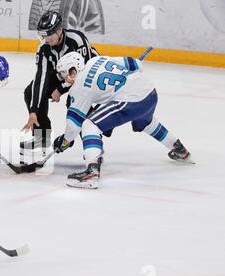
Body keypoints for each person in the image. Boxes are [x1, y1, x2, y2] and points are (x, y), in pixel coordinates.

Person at [53, 52, 194, 189]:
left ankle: (92, 173)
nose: (65, 80)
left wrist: (64, 141)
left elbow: (73, 128)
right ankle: (179, 149)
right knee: (147, 123)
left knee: (89, 126)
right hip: (150, 92)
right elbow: (136, 64)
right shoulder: (96, 60)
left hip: (131, 99)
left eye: (65, 75)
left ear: (73, 70)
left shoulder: (79, 88)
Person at [21, 10, 99, 153]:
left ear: (60, 30)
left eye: (49, 34)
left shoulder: (77, 40)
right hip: (62, 74)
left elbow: (84, 73)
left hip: (86, 75)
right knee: (30, 93)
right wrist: (33, 111)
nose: (46, 39)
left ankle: (93, 146)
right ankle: (41, 138)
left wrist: (60, 89)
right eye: (43, 35)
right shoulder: (44, 48)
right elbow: (41, 79)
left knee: (77, 103)